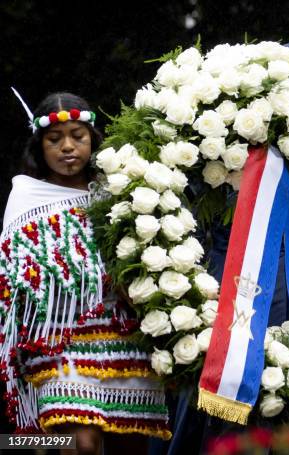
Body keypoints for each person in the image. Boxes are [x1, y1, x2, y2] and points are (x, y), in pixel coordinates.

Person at [0, 92, 171, 454]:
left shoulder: (119, 191)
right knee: (80, 442)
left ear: (92, 139)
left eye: (78, 136)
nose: (67, 147)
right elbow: (16, 278)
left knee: (130, 442)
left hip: (122, 333)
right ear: (40, 145)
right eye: (54, 139)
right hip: (58, 338)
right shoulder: (26, 197)